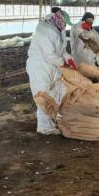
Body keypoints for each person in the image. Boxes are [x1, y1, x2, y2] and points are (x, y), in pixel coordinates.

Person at [26, 7, 77, 135]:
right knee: (43, 95)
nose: (65, 25)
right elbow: (49, 54)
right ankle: (44, 127)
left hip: (52, 66)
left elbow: (61, 51)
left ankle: (54, 120)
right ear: (58, 19)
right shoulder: (44, 30)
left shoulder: (58, 31)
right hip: (40, 66)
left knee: (56, 92)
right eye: (64, 22)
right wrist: (63, 63)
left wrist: (69, 58)